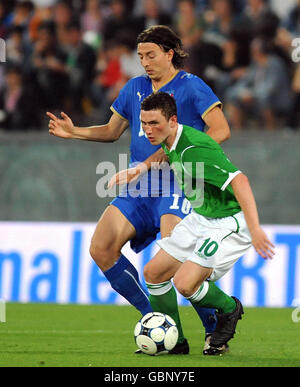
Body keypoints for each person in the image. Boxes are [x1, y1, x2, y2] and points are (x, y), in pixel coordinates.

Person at [47, 25, 231, 355]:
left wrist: (181, 150)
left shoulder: (192, 87)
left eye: (151, 55)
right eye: (140, 56)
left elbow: (221, 130)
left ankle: (215, 323)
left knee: (174, 260)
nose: (145, 62)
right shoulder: (135, 88)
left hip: (180, 183)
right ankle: (159, 322)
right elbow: (111, 130)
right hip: (140, 185)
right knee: (101, 247)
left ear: (169, 53)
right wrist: (74, 132)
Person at [137, 91, 275, 355]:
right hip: (201, 216)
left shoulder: (193, 149)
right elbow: (165, 157)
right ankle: (174, 343)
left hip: (228, 221)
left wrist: (256, 230)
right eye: (144, 123)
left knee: (186, 283)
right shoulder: (170, 140)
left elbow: (240, 181)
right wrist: (138, 169)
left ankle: (229, 308)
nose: (148, 130)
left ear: (173, 121)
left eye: (154, 123)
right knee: (153, 273)